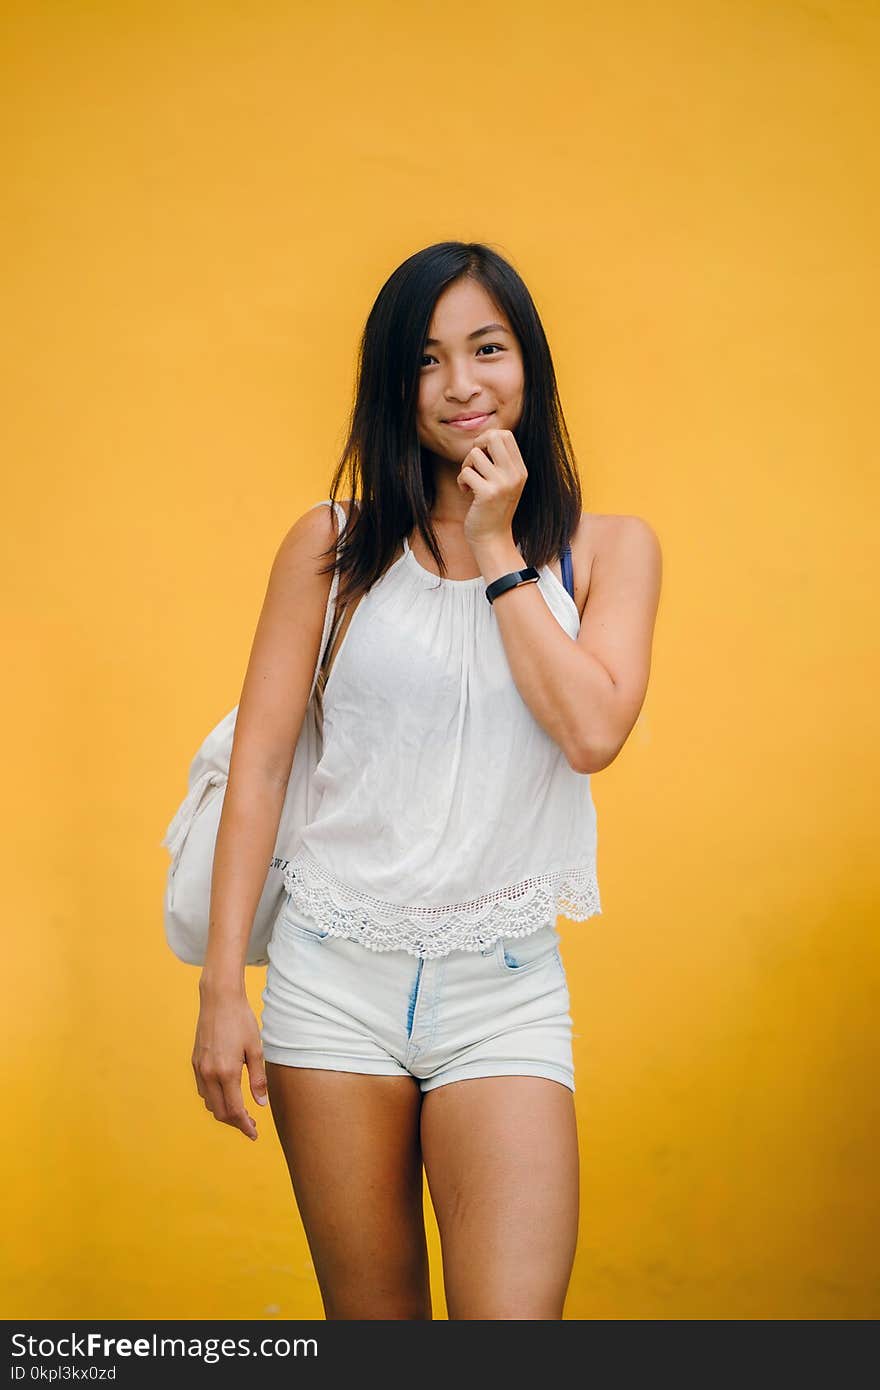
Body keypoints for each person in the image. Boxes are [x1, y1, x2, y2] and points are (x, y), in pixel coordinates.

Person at [192, 241, 662, 1320]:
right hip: (331, 985)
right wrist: (224, 988)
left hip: (502, 992)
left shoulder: (607, 551)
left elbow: (592, 732)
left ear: (527, 365)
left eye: (486, 349)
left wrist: (500, 551)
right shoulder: (333, 546)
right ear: (392, 389)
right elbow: (258, 765)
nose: (461, 384)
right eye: (427, 359)